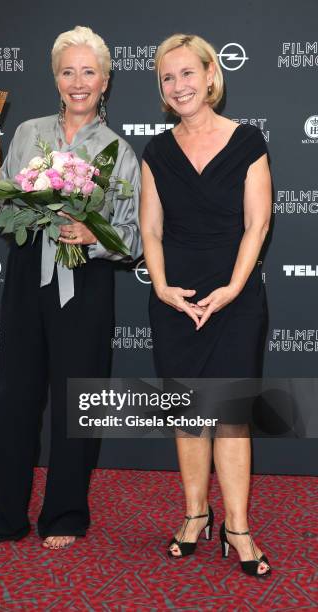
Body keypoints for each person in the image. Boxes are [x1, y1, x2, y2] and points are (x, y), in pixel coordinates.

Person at [0, 25, 141, 550]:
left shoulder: (118, 150)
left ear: (105, 81)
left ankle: (64, 513)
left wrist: (93, 233)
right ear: (55, 78)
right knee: (16, 393)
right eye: (68, 71)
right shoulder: (27, 133)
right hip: (27, 272)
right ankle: (3, 515)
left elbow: (132, 236)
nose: (78, 82)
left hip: (85, 280)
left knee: (77, 400)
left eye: (89, 72)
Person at [140, 34, 272, 577]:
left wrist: (235, 288)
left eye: (187, 74)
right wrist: (163, 288)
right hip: (177, 300)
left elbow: (257, 223)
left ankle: (236, 528)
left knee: (232, 418)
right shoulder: (156, 151)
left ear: (210, 75)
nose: (179, 86)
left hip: (235, 298)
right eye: (168, 78)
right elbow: (150, 227)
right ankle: (196, 515)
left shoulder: (247, 141)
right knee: (189, 417)